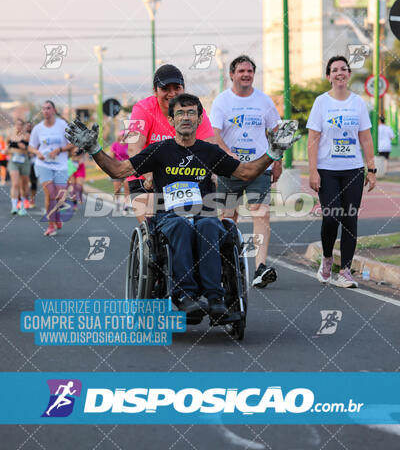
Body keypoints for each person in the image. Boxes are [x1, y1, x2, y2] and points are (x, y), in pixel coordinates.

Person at [65, 94, 299, 318]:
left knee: (209, 225)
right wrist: (94, 149)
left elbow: (246, 172)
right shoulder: (160, 151)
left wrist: (273, 153)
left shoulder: (210, 152)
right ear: (171, 120)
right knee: (180, 226)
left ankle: (215, 298)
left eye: (191, 113)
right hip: (168, 216)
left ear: (199, 119)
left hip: (204, 213)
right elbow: (118, 170)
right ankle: (185, 295)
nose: (185, 117)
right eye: (180, 113)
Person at [210, 55, 281, 289]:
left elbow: (276, 131)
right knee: (228, 218)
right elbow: (215, 134)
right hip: (230, 169)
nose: (246, 74)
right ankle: (227, 263)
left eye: (250, 71)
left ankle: (260, 268)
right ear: (232, 74)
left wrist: (277, 161)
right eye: (241, 71)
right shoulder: (222, 101)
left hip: (259, 166)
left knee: (261, 213)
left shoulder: (264, 101)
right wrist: (226, 153)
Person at [307, 55, 376, 288]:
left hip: (353, 170)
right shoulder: (321, 103)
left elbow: (365, 138)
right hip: (327, 170)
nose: (340, 73)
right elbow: (313, 139)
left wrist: (372, 169)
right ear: (329, 76)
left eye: (344, 69)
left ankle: (345, 270)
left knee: (350, 219)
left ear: (348, 74)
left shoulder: (358, 102)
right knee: (331, 217)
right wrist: (313, 171)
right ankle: (327, 259)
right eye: (335, 69)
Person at [126, 64, 215, 223]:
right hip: (146, 178)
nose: (172, 94)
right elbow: (133, 148)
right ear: (155, 91)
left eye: (177, 88)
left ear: (183, 89)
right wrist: (150, 176)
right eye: (166, 89)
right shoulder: (141, 109)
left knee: (204, 224)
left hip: (184, 178)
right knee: (154, 226)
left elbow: (209, 147)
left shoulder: (194, 110)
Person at [28, 100, 73, 236]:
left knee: (60, 195)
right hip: (44, 165)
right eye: (43, 109)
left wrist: (59, 149)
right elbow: (31, 146)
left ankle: (57, 215)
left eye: (48, 108)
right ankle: (50, 225)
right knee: (50, 194)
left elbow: (72, 144)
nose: (46, 111)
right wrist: (38, 153)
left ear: (54, 110)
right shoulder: (38, 128)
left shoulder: (62, 125)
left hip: (60, 164)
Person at [7, 118, 31, 215]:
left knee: (24, 185)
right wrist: (11, 151)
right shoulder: (10, 136)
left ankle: (22, 206)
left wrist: (25, 147)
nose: (18, 126)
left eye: (21, 124)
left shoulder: (27, 136)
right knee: (15, 183)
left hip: (24, 160)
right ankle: (14, 207)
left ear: (23, 126)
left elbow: (31, 148)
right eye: (17, 124)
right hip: (13, 161)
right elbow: (7, 149)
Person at [110, 131, 131, 214]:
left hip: (127, 169)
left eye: (125, 136)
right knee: (117, 189)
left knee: (127, 186)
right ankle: (118, 204)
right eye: (122, 135)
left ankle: (126, 205)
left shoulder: (129, 145)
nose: (124, 137)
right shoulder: (115, 145)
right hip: (117, 169)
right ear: (119, 136)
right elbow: (111, 157)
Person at [24, 121, 38, 208]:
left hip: (34, 161)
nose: (29, 128)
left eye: (30, 126)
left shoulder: (35, 136)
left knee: (33, 181)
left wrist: (34, 152)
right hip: (24, 160)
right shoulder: (22, 136)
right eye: (27, 126)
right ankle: (25, 199)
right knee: (25, 181)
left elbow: (39, 146)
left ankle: (32, 200)